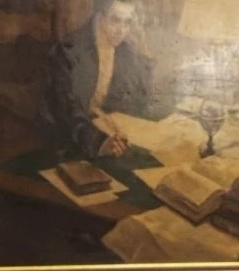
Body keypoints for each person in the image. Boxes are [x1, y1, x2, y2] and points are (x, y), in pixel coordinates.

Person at [45, 0, 170, 160]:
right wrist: (98, 143)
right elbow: (67, 109)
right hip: (71, 141)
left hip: (112, 136)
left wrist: (143, 49)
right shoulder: (69, 51)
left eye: (127, 22)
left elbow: (141, 101)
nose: (121, 30)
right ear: (100, 15)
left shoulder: (125, 51)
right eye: (115, 20)